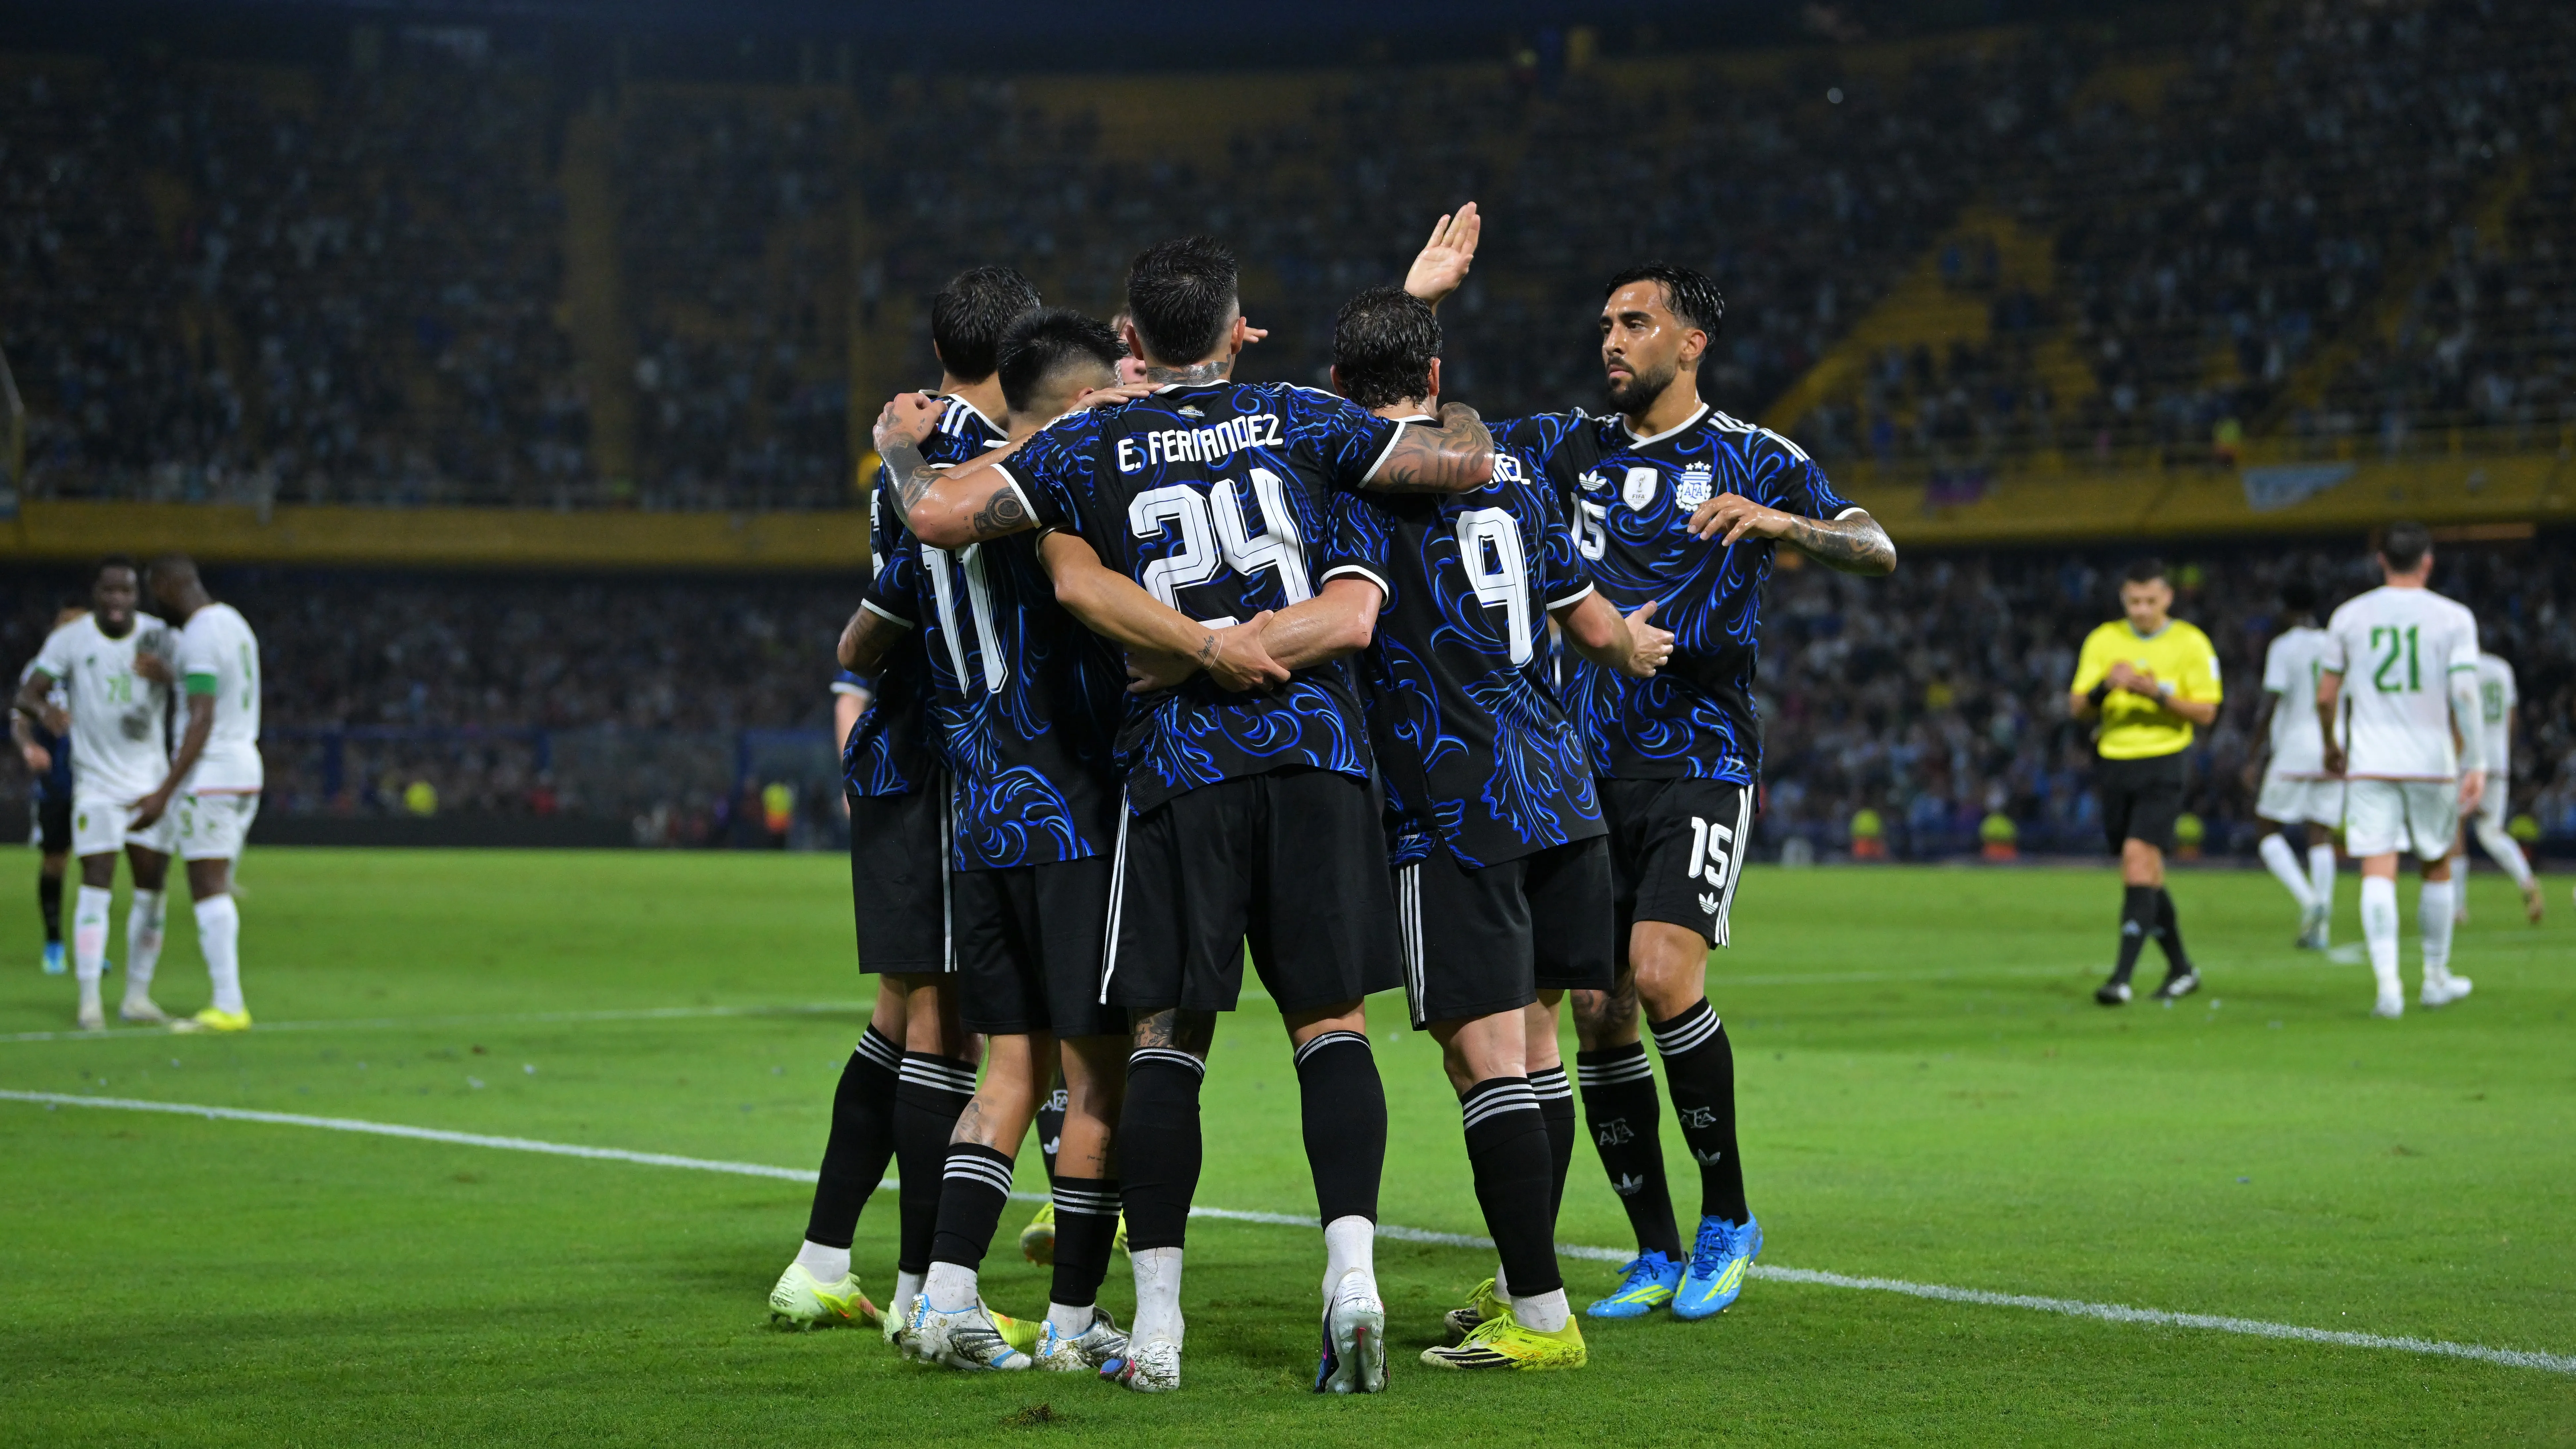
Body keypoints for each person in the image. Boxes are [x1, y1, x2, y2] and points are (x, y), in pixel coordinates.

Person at [889, 233, 1497, 1395]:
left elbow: (941, 515)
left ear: (1128, 340)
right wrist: (1440, 398)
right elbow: (1455, 460)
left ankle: (1157, 1325)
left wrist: (1198, 648)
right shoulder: (1296, 422)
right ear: (1234, 329)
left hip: (1176, 771)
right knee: (1331, 1029)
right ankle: (1352, 1275)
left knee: (1166, 1044)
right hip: (1316, 756)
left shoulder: (1083, 442)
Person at [1318, 280, 1675, 1372]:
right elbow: (1592, 621)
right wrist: (1636, 651)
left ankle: (1539, 1310)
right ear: (1434, 380)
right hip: (1558, 788)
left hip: (1451, 798)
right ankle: (1530, 1274)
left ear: (1339, 388)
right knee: (1532, 1046)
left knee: (1484, 1065)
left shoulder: (1348, 479)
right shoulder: (1508, 466)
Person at [1555, 262, 1896, 1324]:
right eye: (1606, 322)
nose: (1611, 339)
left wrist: (1783, 526)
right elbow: (1451, 432)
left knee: (1661, 977)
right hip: (1585, 762)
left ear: (1691, 342)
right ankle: (1653, 1250)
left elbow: (1876, 547)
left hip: (1699, 756)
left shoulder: (1754, 456)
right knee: (1599, 1010)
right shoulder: (1573, 448)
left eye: (1635, 322)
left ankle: (1729, 1219)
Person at [863, 309, 1141, 1374]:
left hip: (980, 816)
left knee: (1010, 1072)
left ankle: (945, 1300)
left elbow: (881, 612)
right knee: (1097, 1079)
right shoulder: (1050, 493)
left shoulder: (936, 499)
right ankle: (1072, 1323)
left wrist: (897, 447)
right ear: (1075, 406)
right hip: (1069, 812)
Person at [764, 265, 1032, 1340]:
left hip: (897, 758)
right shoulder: (958, 456)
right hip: (941, 756)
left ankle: (823, 1259)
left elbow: (867, 629)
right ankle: (924, 1291)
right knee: (941, 1023)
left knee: (900, 1014)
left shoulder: (910, 443)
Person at [2316, 522, 2485, 1017]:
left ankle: (2387, 987)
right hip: (2431, 761)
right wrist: (2475, 758)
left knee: (2377, 865)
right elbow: (2464, 692)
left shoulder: (2348, 616)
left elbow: (2327, 695)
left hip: (2369, 761)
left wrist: (2332, 742)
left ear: (2380, 560)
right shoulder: (2453, 617)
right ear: (2427, 561)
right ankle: (2434, 977)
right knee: (2436, 862)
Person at [15, 558, 178, 1030]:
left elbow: (198, 686)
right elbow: (28, 691)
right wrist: (43, 710)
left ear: (136, 596)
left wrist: (168, 677)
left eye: (126, 592)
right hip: (97, 784)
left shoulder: (158, 636)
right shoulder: (72, 638)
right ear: (96, 594)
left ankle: (137, 996)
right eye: (109, 592)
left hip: (149, 779)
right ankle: (89, 1000)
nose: (117, 600)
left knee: (152, 885)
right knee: (96, 879)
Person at [2069, 559, 2221, 1007]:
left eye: (2150, 601)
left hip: (2164, 761)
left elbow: (2207, 710)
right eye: (2133, 601)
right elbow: (2077, 706)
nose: (2141, 609)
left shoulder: (2190, 642)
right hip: (2114, 762)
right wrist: (2104, 688)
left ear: (2167, 598)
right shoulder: (2104, 639)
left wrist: (2154, 692)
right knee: (2147, 873)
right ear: (2123, 599)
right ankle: (2181, 968)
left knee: (2137, 861)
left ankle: (2120, 978)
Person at [128, 556, 261, 1033]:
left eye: (154, 589)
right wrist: (172, 676)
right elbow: (218, 690)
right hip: (245, 768)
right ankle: (227, 1001)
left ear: (167, 585)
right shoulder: (234, 624)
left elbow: (201, 718)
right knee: (214, 883)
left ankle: (228, 1004)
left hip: (213, 775)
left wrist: (164, 792)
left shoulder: (199, 635)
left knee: (207, 886)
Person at [2246, 579, 2342, 949]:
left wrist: (2254, 754)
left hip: (2294, 748)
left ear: (2286, 609)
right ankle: (2321, 929)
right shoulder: (2335, 645)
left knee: (2265, 828)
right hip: (2334, 747)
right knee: (2320, 833)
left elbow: (2270, 702)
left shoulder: (2283, 647)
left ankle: (2309, 901)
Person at [2446, 649, 2543, 925]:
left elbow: (2459, 714)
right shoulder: (2503, 668)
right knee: (2491, 833)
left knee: (2456, 829)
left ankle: (2458, 908)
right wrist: (2503, 751)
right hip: (2498, 761)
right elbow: (2512, 719)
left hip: (2469, 760)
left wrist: (2453, 757)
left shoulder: (2462, 670)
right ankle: (2527, 881)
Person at [11, 607, 83, 975]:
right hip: (56, 780)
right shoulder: (40, 671)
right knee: (55, 860)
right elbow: (19, 719)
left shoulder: (97, 666)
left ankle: (90, 946)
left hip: (96, 778)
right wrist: (28, 747)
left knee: (97, 863)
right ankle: (54, 940)